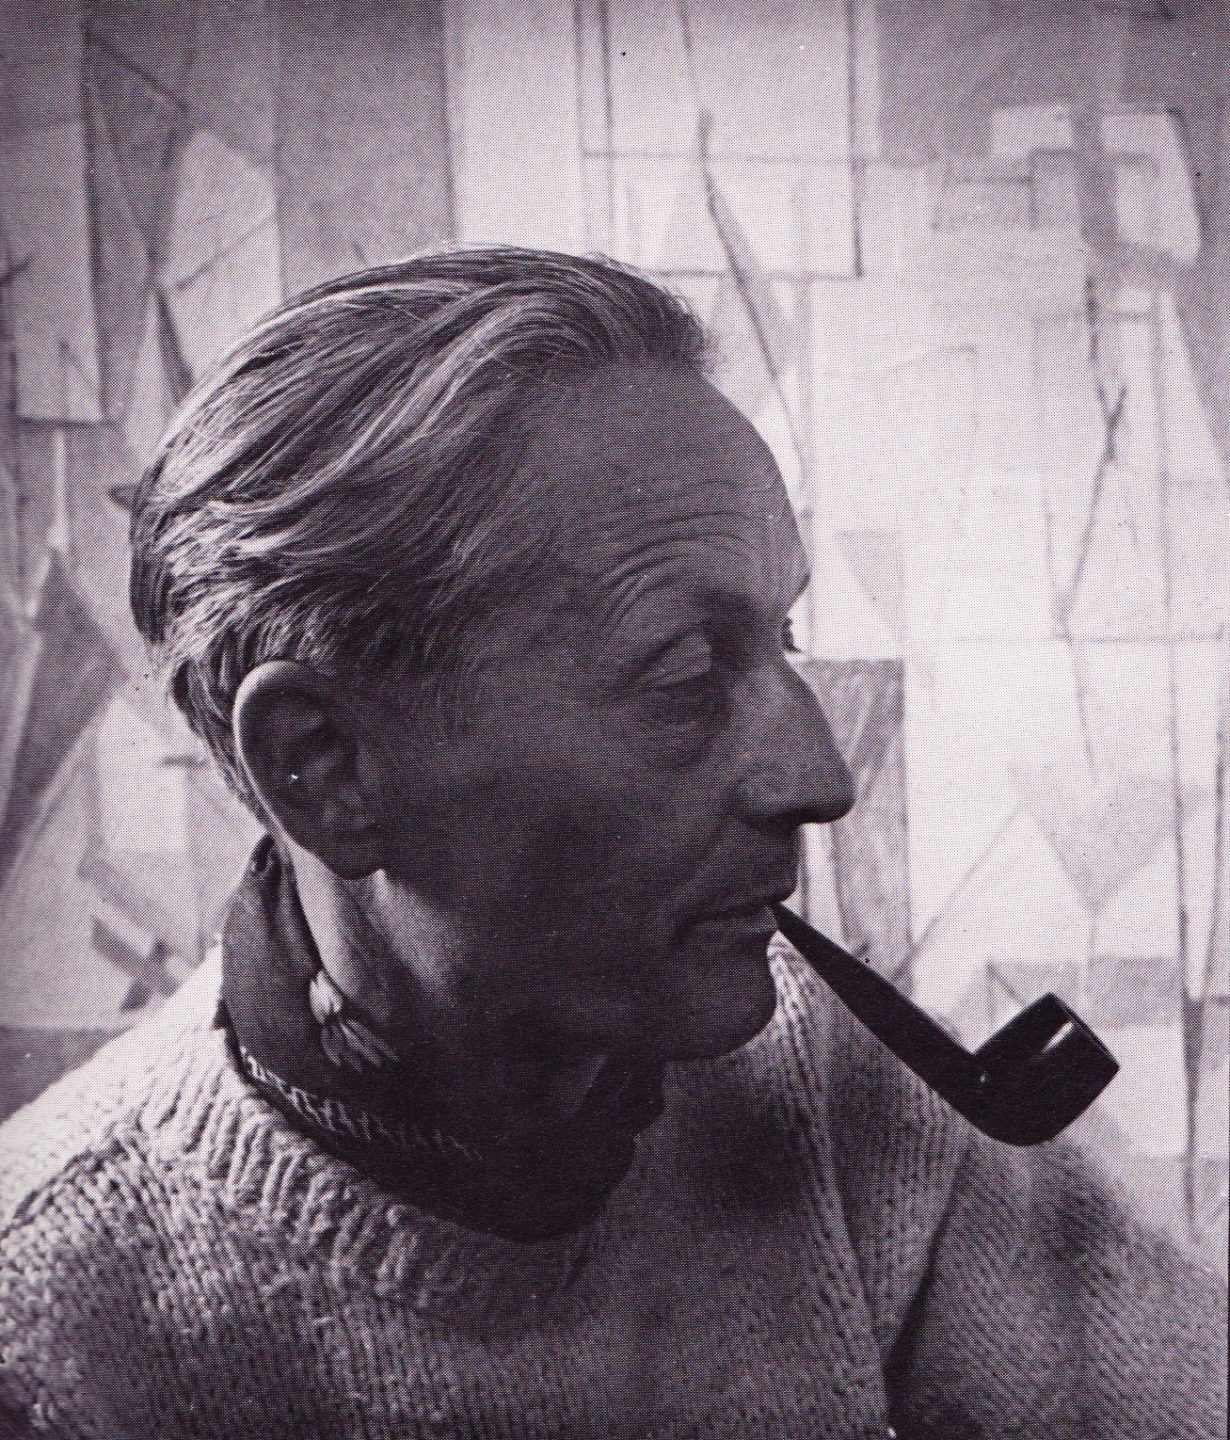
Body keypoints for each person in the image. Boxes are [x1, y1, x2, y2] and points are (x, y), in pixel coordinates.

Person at [0, 249, 1222, 1439]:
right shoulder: (47, 1331)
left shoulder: (838, 1080)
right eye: (684, 674)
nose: (821, 779)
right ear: (327, 766)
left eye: (781, 641)